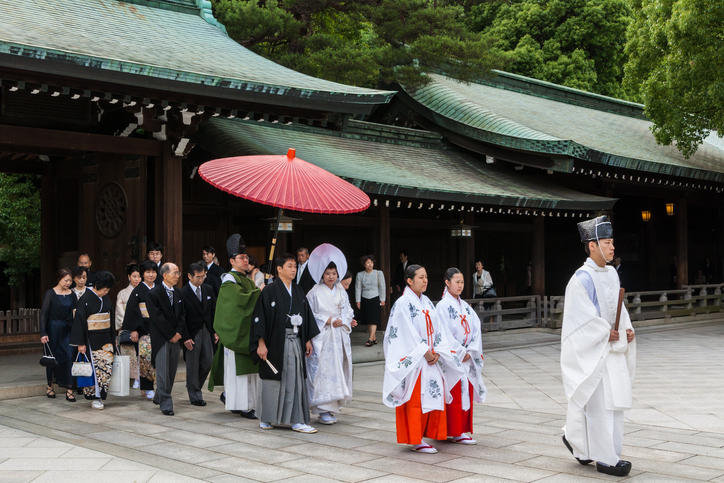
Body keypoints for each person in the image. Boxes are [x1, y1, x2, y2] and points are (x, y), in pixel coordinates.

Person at [561, 215, 636, 478]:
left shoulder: (612, 274)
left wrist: (626, 329)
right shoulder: (580, 279)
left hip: (612, 348)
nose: (612, 247)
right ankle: (605, 459)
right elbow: (579, 321)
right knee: (601, 405)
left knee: (612, 404)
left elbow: (619, 308)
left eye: (613, 242)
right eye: (607, 242)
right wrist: (605, 333)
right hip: (595, 350)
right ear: (592, 245)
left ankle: (581, 444)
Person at [382, 264, 464, 454]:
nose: (425, 280)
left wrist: (438, 351)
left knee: (433, 395)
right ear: (409, 281)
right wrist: (424, 352)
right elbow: (405, 333)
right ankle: (415, 438)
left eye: (426, 277)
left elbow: (438, 329)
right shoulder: (402, 303)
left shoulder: (427, 302)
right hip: (415, 360)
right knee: (414, 399)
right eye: (420, 277)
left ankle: (429, 434)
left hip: (431, 357)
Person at [251, 253, 320, 433]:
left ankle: (297, 420)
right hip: (274, 342)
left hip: (295, 340)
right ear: (279, 269)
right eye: (289, 266)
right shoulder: (269, 290)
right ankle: (267, 417)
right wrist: (261, 343)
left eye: (295, 266)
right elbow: (260, 317)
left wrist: (307, 339)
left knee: (295, 379)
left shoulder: (298, 290)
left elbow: (306, 316)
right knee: (272, 378)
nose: (294, 269)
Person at [208, 234, 262, 419]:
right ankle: (243, 405)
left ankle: (244, 402)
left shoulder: (244, 279)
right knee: (238, 374)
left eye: (246, 257)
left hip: (247, 331)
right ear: (232, 261)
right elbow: (237, 304)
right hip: (236, 333)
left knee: (248, 374)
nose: (246, 260)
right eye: (241, 257)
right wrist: (258, 293)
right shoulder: (229, 280)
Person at [435, 268, 487, 445]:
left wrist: (471, 350)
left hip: (466, 353)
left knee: (465, 392)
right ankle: (454, 431)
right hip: (453, 357)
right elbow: (443, 333)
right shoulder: (442, 306)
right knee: (455, 393)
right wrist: (460, 351)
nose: (460, 285)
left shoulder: (465, 306)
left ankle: (461, 430)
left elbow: (476, 327)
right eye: (457, 282)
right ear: (447, 283)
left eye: (462, 282)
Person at [305, 244, 354, 425]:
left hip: (338, 336)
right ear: (322, 275)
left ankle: (333, 407)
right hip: (323, 338)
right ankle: (322, 409)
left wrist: (344, 320)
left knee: (337, 371)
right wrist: (327, 320)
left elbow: (348, 311)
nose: (331, 277)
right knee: (322, 372)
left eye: (334, 273)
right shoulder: (314, 293)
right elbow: (310, 314)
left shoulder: (341, 291)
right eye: (328, 273)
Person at [70, 271, 116, 410]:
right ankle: (94, 397)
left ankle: (101, 395)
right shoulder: (85, 299)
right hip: (91, 338)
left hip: (106, 337)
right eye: (104, 289)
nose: (105, 292)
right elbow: (79, 321)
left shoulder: (105, 298)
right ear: (96, 285)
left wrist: (113, 338)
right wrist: (81, 343)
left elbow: (111, 318)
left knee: (105, 368)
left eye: (108, 290)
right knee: (94, 369)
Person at [146, 262, 186, 416]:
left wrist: (178, 333)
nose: (177, 276)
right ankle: (166, 404)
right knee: (162, 372)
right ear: (165, 275)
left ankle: (159, 395)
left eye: (178, 273)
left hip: (176, 338)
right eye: (175, 273)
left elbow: (183, 315)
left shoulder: (178, 292)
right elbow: (157, 318)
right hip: (161, 338)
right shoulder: (153, 294)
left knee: (171, 372)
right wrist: (171, 334)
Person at [180, 262, 218, 406]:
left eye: (203, 276)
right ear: (189, 276)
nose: (200, 280)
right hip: (191, 332)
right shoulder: (183, 293)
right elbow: (181, 317)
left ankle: (193, 386)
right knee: (192, 364)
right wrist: (185, 337)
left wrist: (215, 331)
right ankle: (195, 395)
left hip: (206, 330)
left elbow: (213, 311)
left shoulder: (208, 290)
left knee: (208, 360)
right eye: (197, 277)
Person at [121, 260, 158, 398]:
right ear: (143, 274)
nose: (151, 275)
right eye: (148, 272)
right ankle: (147, 388)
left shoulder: (158, 287)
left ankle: (154, 386)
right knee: (145, 358)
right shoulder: (138, 291)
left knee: (157, 358)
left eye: (153, 272)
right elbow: (132, 310)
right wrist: (134, 329)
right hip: (143, 328)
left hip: (158, 327)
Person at [39, 268, 78, 402]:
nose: (68, 283)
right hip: (53, 329)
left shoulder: (72, 294)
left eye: (70, 280)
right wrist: (43, 332)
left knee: (69, 356)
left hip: (68, 329)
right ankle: (50, 386)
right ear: (59, 279)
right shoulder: (50, 293)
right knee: (52, 358)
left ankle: (69, 389)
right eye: (65, 280)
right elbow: (44, 313)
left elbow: (75, 312)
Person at [116, 264, 142, 388]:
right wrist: (129, 324)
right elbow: (120, 311)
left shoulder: (146, 291)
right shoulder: (122, 293)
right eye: (134, 276)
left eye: (139, 276)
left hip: (143, 327)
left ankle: (142, 378)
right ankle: (133, 377)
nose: (137, 279)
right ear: (129, 277)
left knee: (143, 353)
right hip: (128, 327)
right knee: (130, 354)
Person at [355, 255, 386, 347]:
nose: (370, 264)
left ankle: (370, 339)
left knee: (374, 319)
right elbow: (358, 288)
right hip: (365, 297)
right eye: (368, 263)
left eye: (371, 262)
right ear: (364, 264)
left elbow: (382, 286)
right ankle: (374, 338)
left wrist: (382, 299)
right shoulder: (360, 275)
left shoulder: (378, 273)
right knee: (369, 319)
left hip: (375, 297)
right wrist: (358, 300)